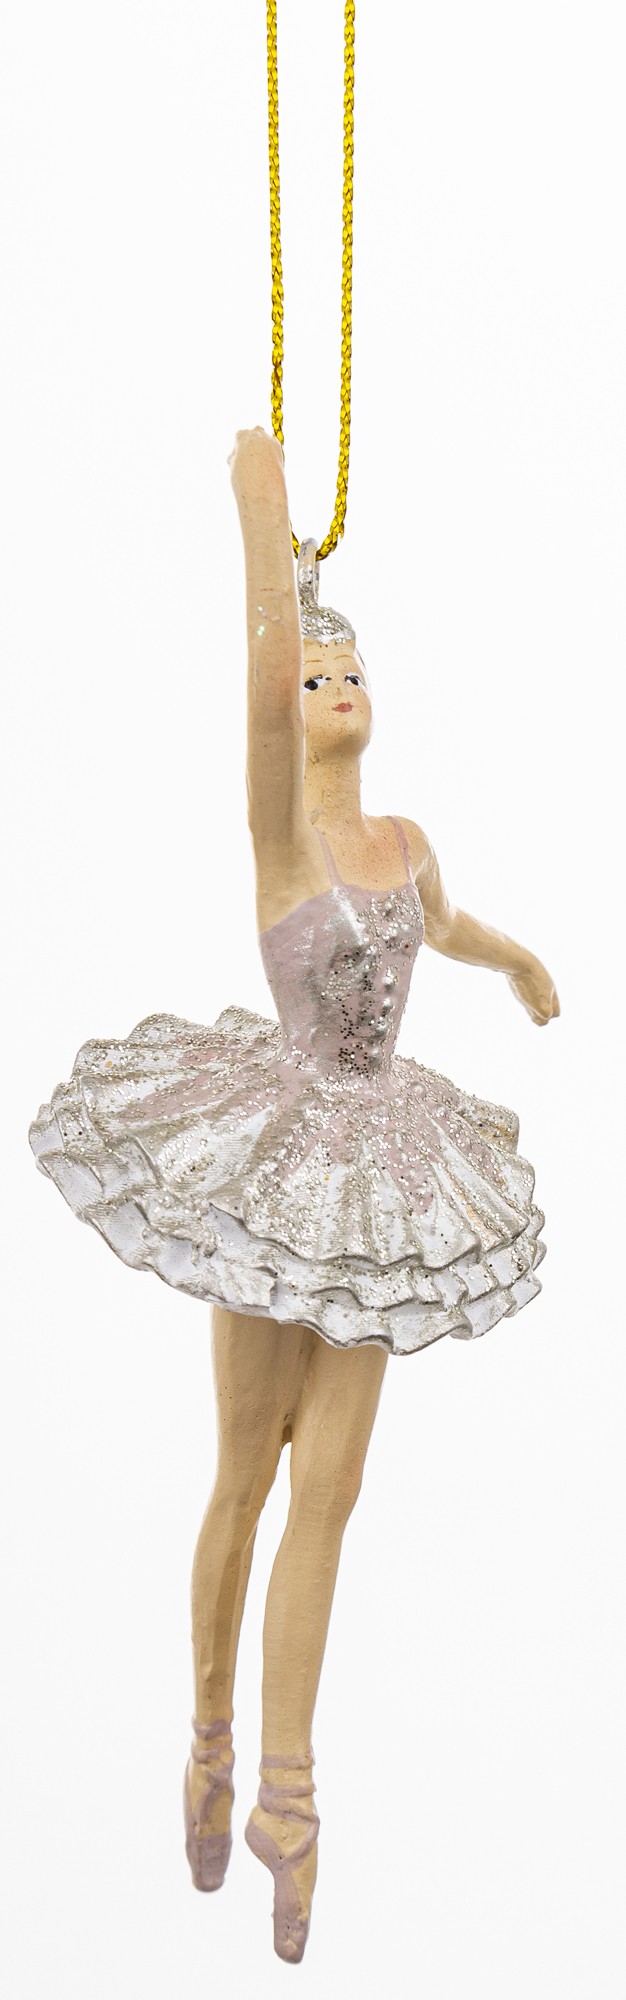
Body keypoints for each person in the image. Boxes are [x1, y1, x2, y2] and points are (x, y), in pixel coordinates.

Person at [28, 425, 559, 1964]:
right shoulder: (283, 838)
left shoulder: (400, 840)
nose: (334, 686)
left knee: (330, 1486)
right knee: (245, 1474)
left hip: (383, 1173)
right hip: (280, 1167)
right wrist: (263, 521)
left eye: (349, 671)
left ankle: (289, 1790)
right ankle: (204, 1734)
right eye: (313, 676)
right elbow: (263, 673)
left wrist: (516, 962)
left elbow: (442, 927)